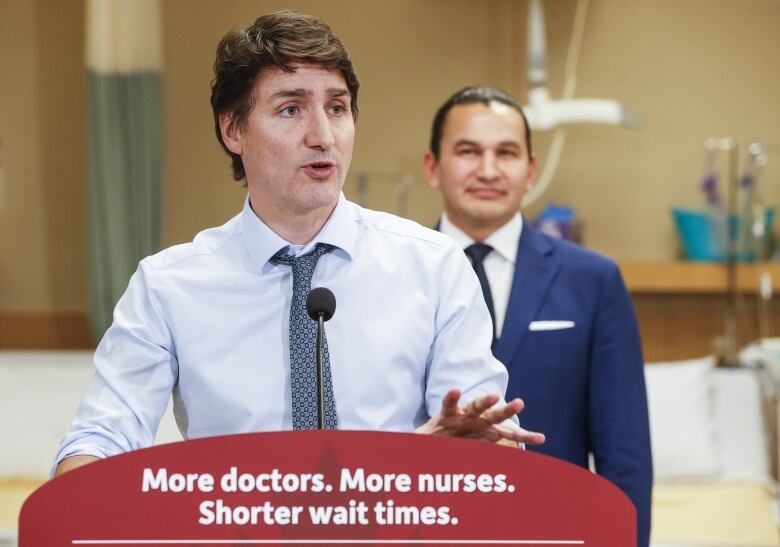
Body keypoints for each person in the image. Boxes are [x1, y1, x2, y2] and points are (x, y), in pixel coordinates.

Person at [54, 13, 545, 477]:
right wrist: (82, 484)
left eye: (336, 108)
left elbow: (486, 435)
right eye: (290, 109)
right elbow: (100, 438)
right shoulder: (168, 286)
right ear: (233, 130)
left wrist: (479, 448)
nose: (323, 135)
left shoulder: (434, 267)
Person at [424, 86, 652, 547]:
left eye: (506, 153)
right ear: (433, 167)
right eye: (468, 151)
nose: (488, 170)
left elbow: (624, 454)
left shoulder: (593, 279)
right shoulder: (395, 277)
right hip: (431, 530)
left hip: (557, 530)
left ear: (530, 170)